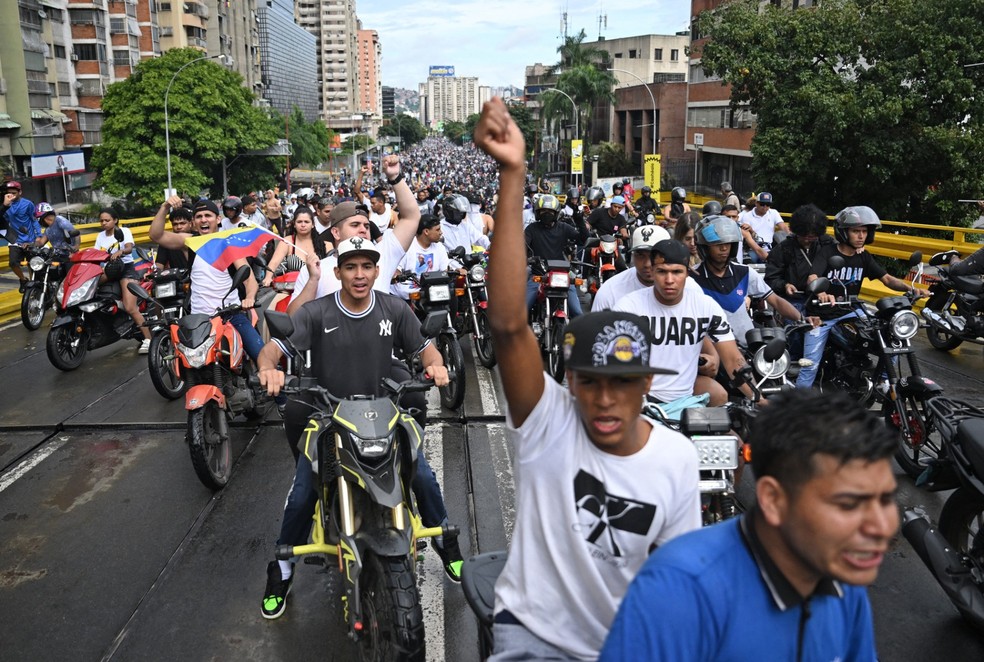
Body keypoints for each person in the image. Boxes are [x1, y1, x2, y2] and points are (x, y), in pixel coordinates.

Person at [474, 96, 701, 661]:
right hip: (535, 638)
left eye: (621, 383)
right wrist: (513, 174)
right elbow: (507, 324)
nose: (604, 399)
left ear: (646, 384)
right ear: (567, 382)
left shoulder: (678, 461)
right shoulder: (547, 420)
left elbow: (678, 583)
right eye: (589, 381)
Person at [601, 388, 899, 662]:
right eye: (848, 505)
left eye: (886, 500)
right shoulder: (677, 593)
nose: (881, 527)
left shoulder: (842, 575)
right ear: (773, 499)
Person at [255, 237, 461, 618]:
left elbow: (424, 347)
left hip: (385, 412)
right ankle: (281, 569)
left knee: (423, 477)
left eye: (367, 266)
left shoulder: (394, 308)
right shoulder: (315, 313)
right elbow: (274, 349)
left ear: (377, 271)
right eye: (351, 267)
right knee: (303, 494)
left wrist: (436, 365)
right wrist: (268, 368)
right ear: (339, 272)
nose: (360, 274)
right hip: (328, 417)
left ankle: (446, 540)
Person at [796, 206, 929, 389]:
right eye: (856, 231)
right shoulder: (827, 252)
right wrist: (821, 292)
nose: (861, 236)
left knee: (891, 340)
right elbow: (813, 277)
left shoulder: (864, 256)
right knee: (809, 366)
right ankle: (796, 405)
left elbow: (887, 279)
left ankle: (883, 383)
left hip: (852, 311)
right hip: (822, 315)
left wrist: (912, 289)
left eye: (864, 231)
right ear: (844, 232)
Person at [613, 239, 756, 407]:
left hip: (687, 401)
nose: (669, 280)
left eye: (677, 272)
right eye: (661, 271)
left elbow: (733, 360)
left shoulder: (705, 306)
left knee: (731, 431)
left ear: (687, 273)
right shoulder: (628, 307)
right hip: (639, 401)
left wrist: (759, 400)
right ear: (652, 271)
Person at [286, 154, 421, 313]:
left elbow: (411, 218)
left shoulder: (383, 255)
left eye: (366, 225)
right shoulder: (316, 269)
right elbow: (293, 318)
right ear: (336, 232)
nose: (363, 229)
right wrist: (313, 280)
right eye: (355, 225)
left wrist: (395, 177)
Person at [149, 195, 267, 365]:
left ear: (218, 219)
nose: (203, 220)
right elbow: (156, 235)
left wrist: (249, 297)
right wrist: (165, 206)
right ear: (194, 222)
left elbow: (249, 280)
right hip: (199, 320)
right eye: (199, 216)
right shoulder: (190, 242)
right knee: (184, 364)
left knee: (263, 358)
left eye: (208, 216)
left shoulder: (228, 244)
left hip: (230, 315)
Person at [689, 215, 814, 347]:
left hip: (747, 348)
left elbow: (775, 300)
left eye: (728, 243)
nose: (724, 248)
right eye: (717, 244)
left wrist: (802, 319)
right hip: (709, 350)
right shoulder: (692, 278)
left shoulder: (744, 273)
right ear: (704, 247)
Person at [94, 208, 152, 354]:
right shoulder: (100, 236)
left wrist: (121, 251)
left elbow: (128, 247)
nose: (104, 223)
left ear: (115, 220)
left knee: (130, 307)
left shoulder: (124, 231)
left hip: (125, 269)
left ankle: (148, 339)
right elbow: (96, 254)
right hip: (109, 269)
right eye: (101, 220)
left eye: (107, 220)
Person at [525, 193, 588, 317]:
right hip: (539, 275)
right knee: (522, 310)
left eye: (550, 211)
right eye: (543, 211)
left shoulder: (564, 228)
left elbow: (582, 239)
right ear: (537, 212)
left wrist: (579, 219)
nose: (546, 214)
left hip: (562, 275)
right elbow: (522, 244)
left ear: (556, 213)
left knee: (577, 312)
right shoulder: (531, 229)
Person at [592, 224, 670, 311]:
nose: (647, 264)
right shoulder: (610, 291)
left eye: (654, 256)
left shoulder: (686, 290)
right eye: (640, 255)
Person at [262, 206, 330, 287]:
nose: (303, 225)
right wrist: (268, 277)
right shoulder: (287, 242)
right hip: (292, 288)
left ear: (313, 224)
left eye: (306, 222)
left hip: (320, 287)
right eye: (299, 222)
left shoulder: (326, 244)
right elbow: (274, 262)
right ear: (294, 224)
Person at [392, 213, 450, 300]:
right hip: (406, 296)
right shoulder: (407, 245)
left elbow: (445, 271)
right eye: (437, 230)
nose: (441, 232)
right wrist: (396, 276)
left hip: (431, 294)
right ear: (426, 231)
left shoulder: (440, 247)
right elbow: (396, 272)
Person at [2, 181, 43, 291]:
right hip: (15, 240)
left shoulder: (28, 204)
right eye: (9, 193)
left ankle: (34, 286)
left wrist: (38, 236)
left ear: (20, 192)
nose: (11, 195)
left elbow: (34, 220)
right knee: (13, 263)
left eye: (14, 193)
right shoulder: (5, 205)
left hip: (29, 239)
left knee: (32, 264)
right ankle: (23, 279)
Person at [739, 191, 789, 262]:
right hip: (753, 248)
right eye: (762, 204)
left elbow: (783, 226)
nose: (765, 207)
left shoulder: (773, 213)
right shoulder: (747, 216)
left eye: (768, 204)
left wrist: (791, 235)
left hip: (769, 249)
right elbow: (747, 234)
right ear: (756, 203)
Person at [154, 205, 195, 270]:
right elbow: (159, 264)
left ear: (190, 223)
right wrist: (154, 273)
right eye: (175, 224)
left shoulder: (198, 238)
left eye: (182, 223)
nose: (179, 227)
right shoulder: (166, 242)